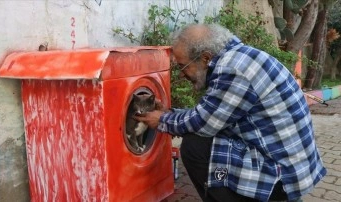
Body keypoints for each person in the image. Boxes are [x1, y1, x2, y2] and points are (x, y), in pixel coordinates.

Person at [134, 24, 326, 202]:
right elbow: (213, 114)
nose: (182, 74)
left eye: (183, 66)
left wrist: (162, 120)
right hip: (293, 167)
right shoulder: (240, 57)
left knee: (195, 146)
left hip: (281, 176)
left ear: (206, 58)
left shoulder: (233, 70)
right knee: (206, 138)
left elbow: (203, 123)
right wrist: (169, 113)